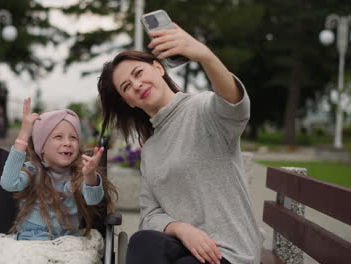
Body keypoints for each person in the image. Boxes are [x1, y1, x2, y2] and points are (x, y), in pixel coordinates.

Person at [97, 23, 262, 264]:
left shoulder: (202, 109)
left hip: (228, 253)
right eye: (126, 87)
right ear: (129, 102)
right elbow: (149, 215)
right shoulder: (151, 149)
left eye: (138, 73)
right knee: (142, 241)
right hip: (184, 247)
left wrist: (204, 55)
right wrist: (182, 229)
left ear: (158, 68)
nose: (136, 85)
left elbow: (235, 106)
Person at [0, 97, 116, 241]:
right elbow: (9, 183)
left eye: (73, 137)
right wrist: (24, 134)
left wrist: (90, 175)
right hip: (31, 240)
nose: (67, 143)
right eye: (58, 137)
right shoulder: (33, 170)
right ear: (41, 148)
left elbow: (93, 200)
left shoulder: (79, 172)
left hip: (67, 241)